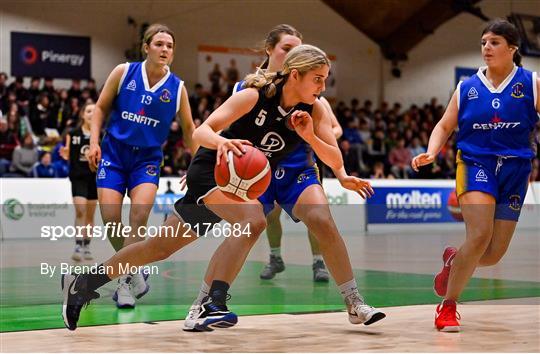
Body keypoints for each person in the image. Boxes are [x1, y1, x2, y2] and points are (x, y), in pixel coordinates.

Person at [61, 44, 385, 332]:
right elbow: (202, 132)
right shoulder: (255, 95)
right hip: (211, 170)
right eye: (318, 78)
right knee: (254, 221)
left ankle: (84, 283)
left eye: (326, 79)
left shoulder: (312, 110)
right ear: (296, 75)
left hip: (240, 184)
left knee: (158, 248)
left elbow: (333, 155)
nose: (323, 86)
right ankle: (213, 302)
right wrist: (224, 142)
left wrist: (310, 136)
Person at [412, 19, 539, 332]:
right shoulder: (467, 86)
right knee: (480, 236)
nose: (486, 48)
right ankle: (448, 306)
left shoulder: (532, 82)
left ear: (512, 48)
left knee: (493, 254)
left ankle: (454, 261)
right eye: (483, 42)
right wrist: (432, 150)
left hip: (516, 168)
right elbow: (444, 125)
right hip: (475, 163)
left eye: (494, 42)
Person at [86, 23, 196, 308]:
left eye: (169, 46)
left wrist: (198, 165)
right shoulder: (124, 72)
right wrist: (94, 142)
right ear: (146, 47)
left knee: (139, 216)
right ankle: (134, 269)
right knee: (111, 219)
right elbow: (100, 108)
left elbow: (189, 131)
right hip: (113, 154)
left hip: (146, 160)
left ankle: (124, 283)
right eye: (159, 44)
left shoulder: (178, 88)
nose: (165, 49)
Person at [232, 24, 342, 282]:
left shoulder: (313, 96)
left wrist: (317, 141)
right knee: (266, 217)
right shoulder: (248, 90)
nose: (293, 53)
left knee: (317, 217)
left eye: (298, 49)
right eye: (287, 48)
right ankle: (274, 257)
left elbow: (333, 131)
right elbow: (226, 131)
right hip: (263, 163)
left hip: (299, 162)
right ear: (269, 49)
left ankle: (318, 263)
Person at [60, 103, 98, 261]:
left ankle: (87, 245)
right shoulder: (73, 133)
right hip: (78, 177)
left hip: (94, 178)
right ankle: (78, 244)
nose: (91, 113)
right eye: (88, 110)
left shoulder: (100, 135)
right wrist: (65, 153)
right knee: (80, 210)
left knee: (90, 214)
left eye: (95, 111)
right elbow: (67, 152)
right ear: (83, 114)